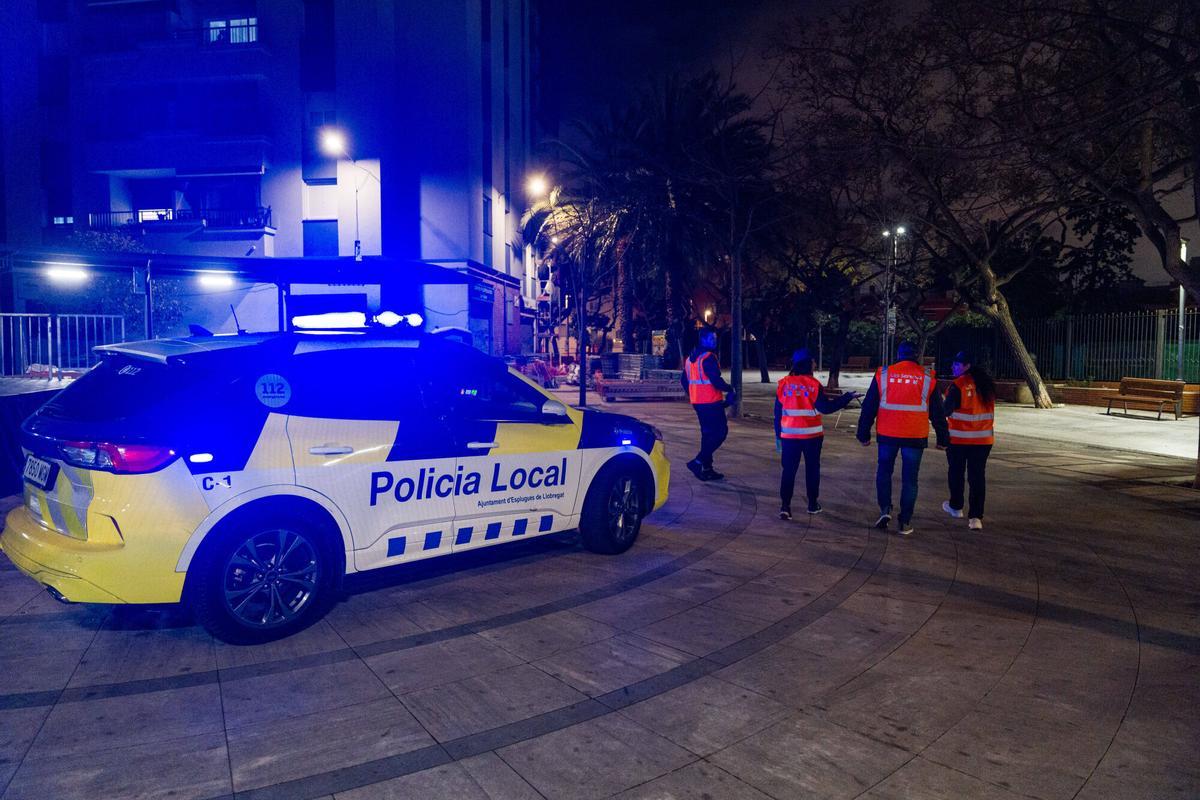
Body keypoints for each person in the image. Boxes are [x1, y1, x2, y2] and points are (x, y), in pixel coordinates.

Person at [856, 342, 949, 535]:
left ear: (898, 355)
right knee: (910, 480)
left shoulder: (883, 374)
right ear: (917, 355)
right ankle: (905, 521)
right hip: (914, 436)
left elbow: (869, 405)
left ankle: (884, 510)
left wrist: (863, 433)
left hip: (887, 434)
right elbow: (937, 411)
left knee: (884, 472)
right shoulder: (927, 377)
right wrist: (943, 438)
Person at [774, 348, 861, 519]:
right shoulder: (813, 385)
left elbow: (778, 413)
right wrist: (846, 398)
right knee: (812, 469)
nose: (815, 364)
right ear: (808, 363)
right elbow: (826, 408)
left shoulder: (784, 384)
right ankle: (812, 505)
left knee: (788, 471)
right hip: (811, 437)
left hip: (789, 437)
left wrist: (778, 436)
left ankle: (785, 506)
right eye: (813, 361)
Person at [941, 351, 995, 531]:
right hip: (983, 440)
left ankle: (956, 507)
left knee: (956, 473)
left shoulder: (958, 385)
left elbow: (946, 411)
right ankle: (976, 518)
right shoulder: (986, 384)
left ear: (966, 366)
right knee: (977, 477)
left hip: (959, 439)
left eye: (956, 364)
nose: (953, 367)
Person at [679, 328, 735, 481]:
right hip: (710, 402)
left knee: (708, 434)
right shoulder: (708, 358)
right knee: (720, 433)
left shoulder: (691, 359)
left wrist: (693, 394)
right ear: (703, 339)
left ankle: (707, 468)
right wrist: (730, 388)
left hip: (698, 403)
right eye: (712, 339)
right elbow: (716, 381)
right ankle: (698, 461)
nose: (715, 341)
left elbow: (684, 380)